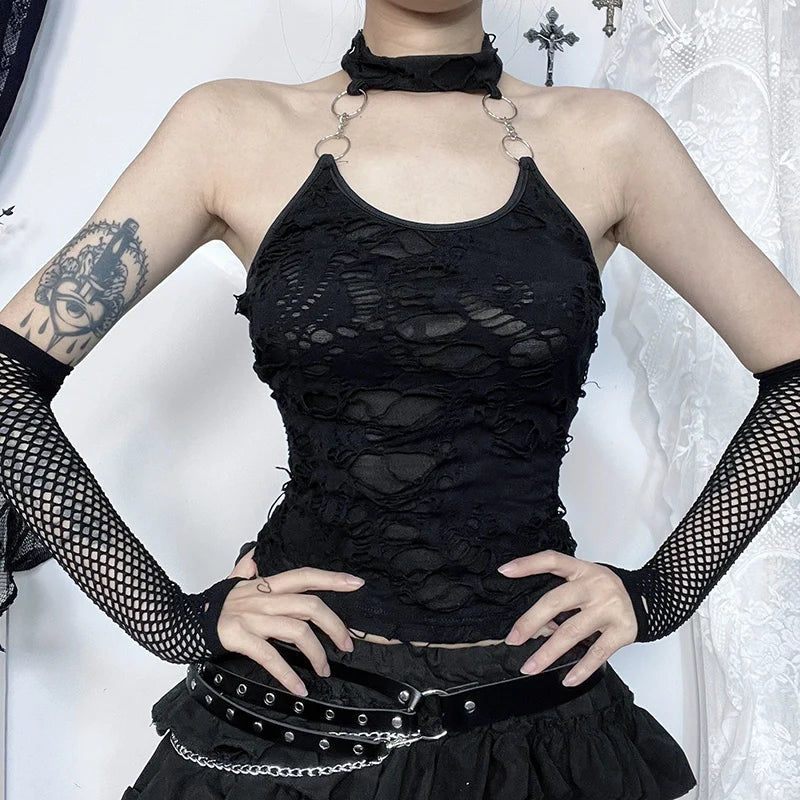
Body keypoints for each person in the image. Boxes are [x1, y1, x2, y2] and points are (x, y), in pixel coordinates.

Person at [0, 1, 798, 798]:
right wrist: (169, 618)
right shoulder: (226, 128)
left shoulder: (612, 138)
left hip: (536, 725)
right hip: (289, 720)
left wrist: (660, 592)